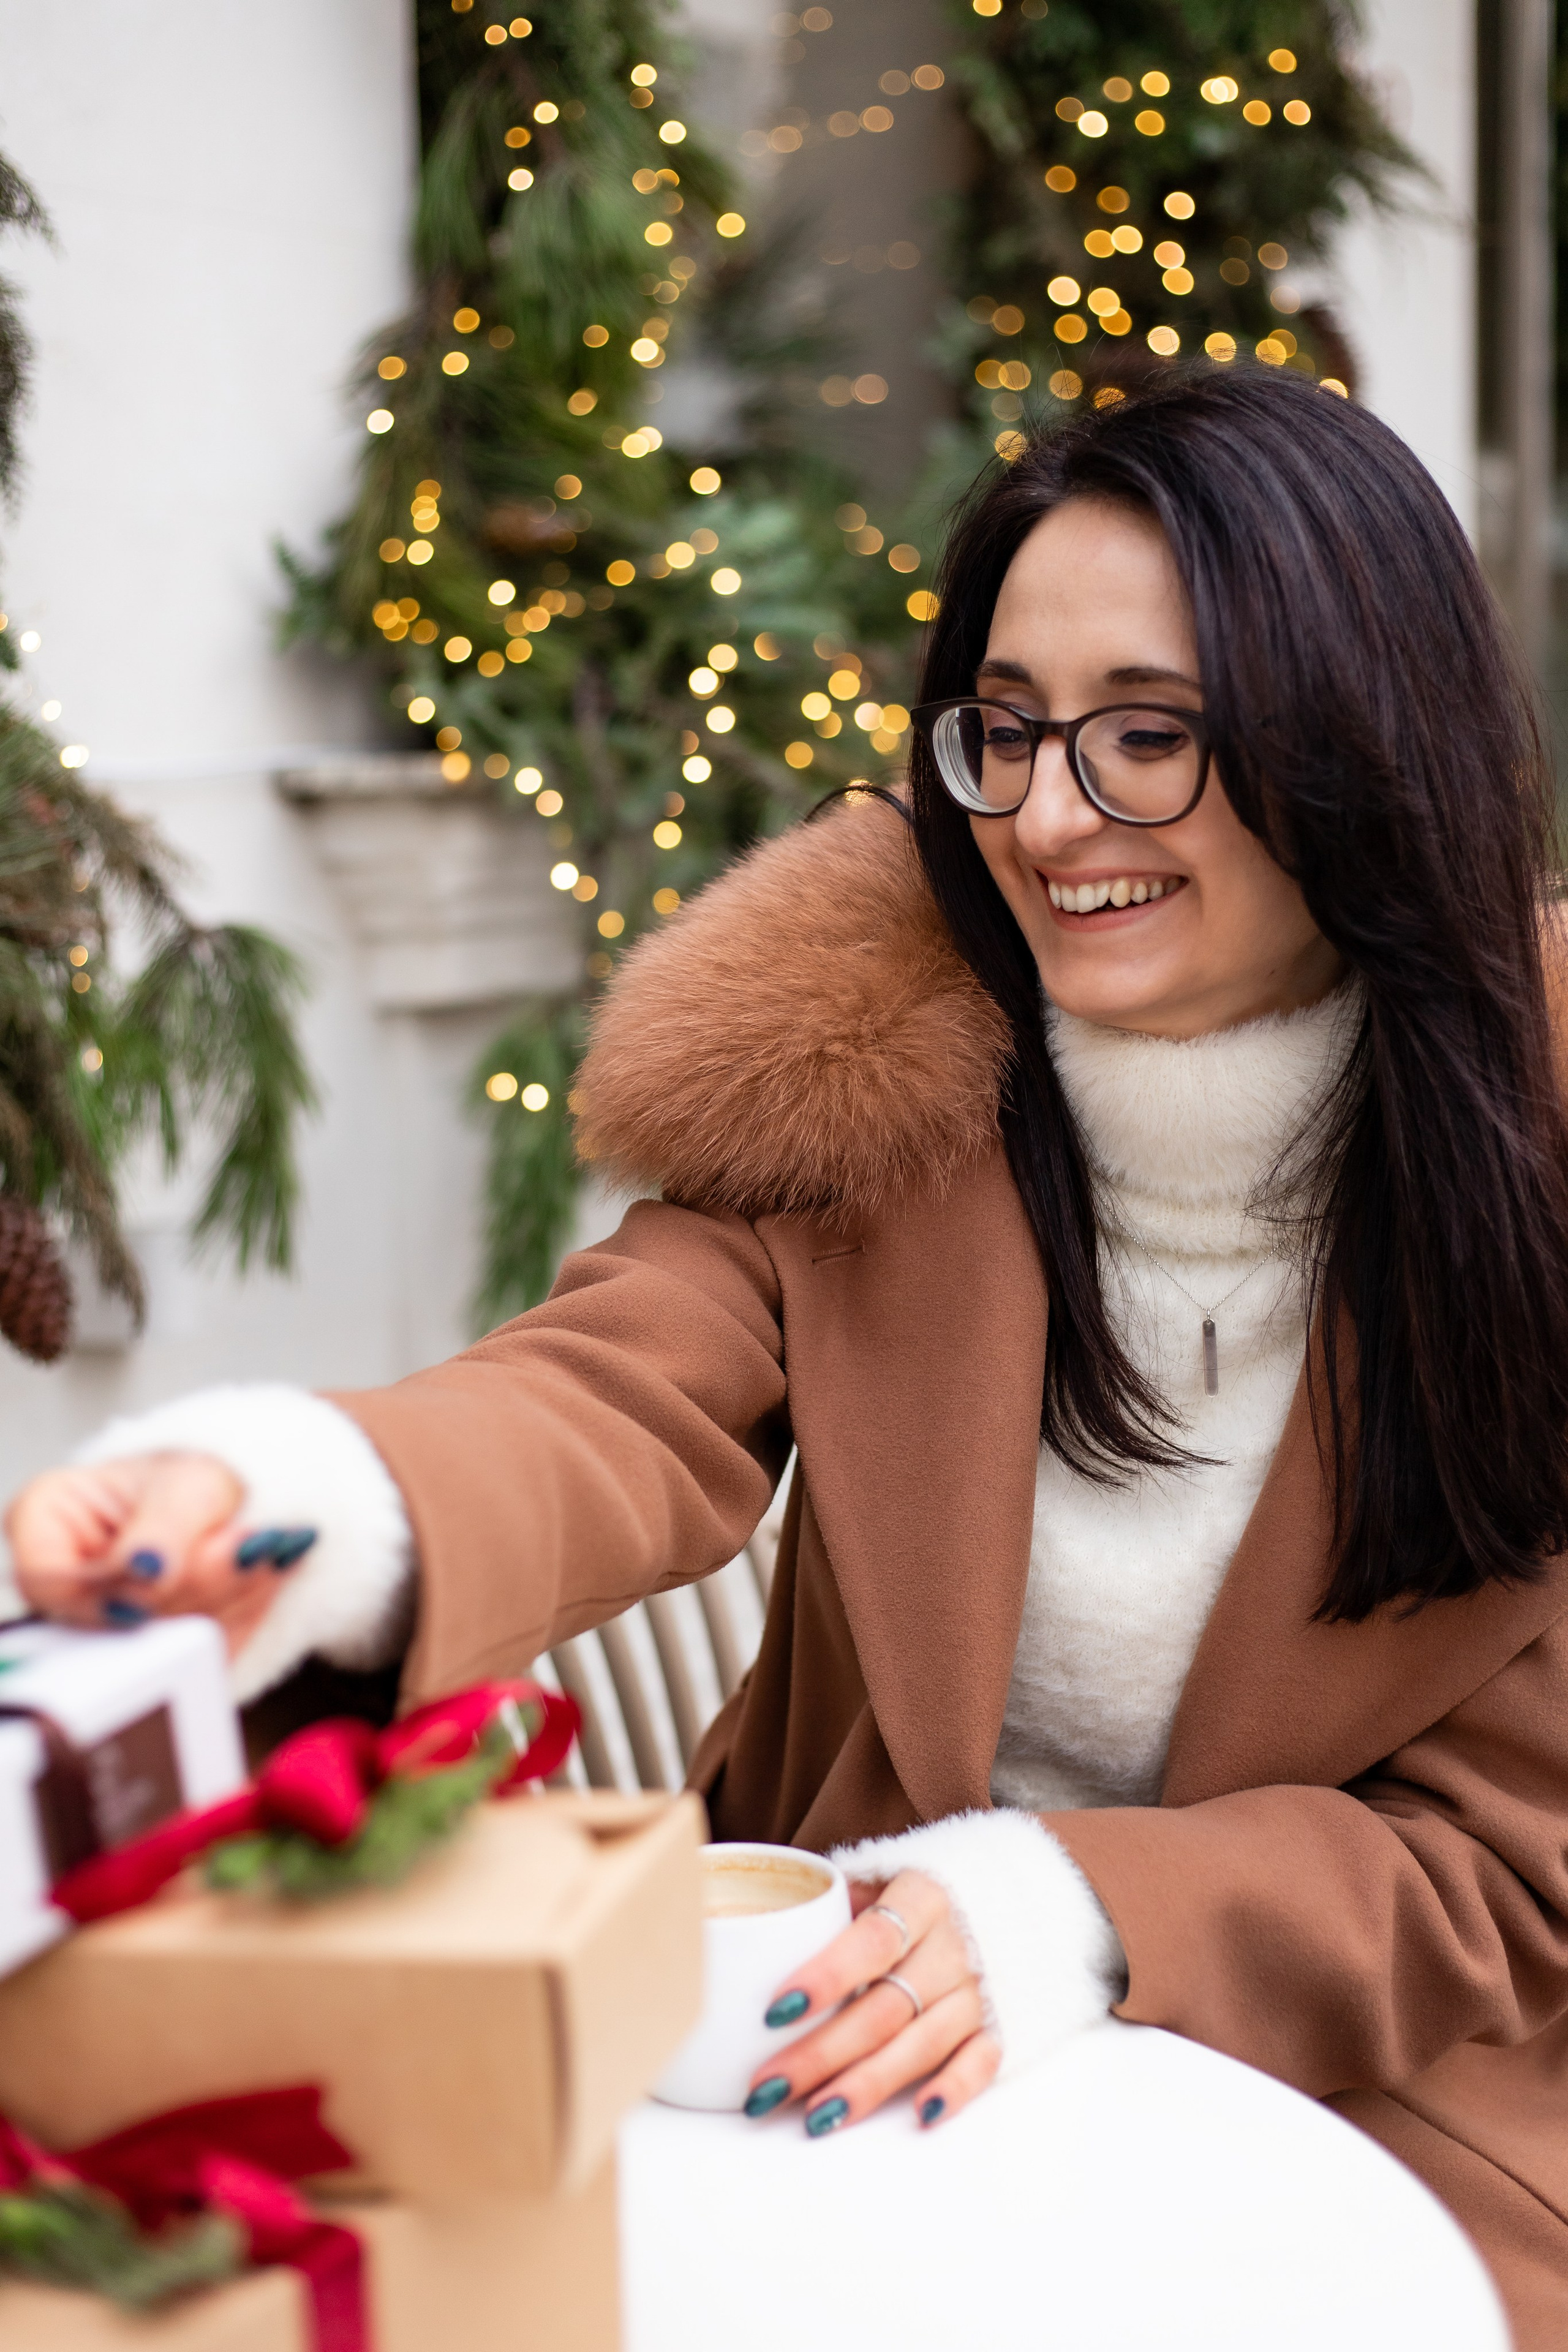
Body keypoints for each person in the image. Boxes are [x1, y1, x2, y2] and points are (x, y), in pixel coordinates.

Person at [12, 368, 1568, 2345]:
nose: (1052, 818)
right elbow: (614, 1387)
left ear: (1352, 741)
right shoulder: (882, 1057)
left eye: (1151, 736)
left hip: (1376, 2108)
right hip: (843, 2055)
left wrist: (1073, 1909)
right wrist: (307, 1495)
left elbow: (1508, 1879)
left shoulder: (1531, 1169)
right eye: (1002, 734)